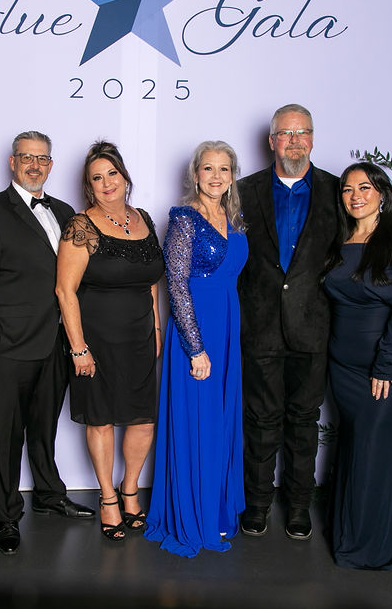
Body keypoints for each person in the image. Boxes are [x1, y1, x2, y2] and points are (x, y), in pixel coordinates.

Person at [0, 131, 94, 557]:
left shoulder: (65, 211)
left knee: (45, 427)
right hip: (10, 346)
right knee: (6, 436)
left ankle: (49, 495)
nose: (35, 165)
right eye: (27, 158)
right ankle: (6, 515)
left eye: (42, 159)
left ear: (51, 165)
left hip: (57, 342)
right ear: (13, 162)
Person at [237, 104, 339, 540]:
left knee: (303, 422)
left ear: (312, 139)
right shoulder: (243, 190)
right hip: (259, 327)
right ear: (271, 141)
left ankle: (299, 506)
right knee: (260, 422)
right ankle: (257, 505)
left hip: (313, 327)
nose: (294, 141)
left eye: (302, 133)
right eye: (286, 134)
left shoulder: (337, 191)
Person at [56, 141, 164, 542]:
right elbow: (64, 290)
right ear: (89, 186)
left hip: (140, 336)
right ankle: (107, 497)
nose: (106, 183)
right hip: (96, 340)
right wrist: (78, 347)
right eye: (97, 178)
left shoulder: (144, 219)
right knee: (100, 419)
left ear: (124, 176)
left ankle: (130, 489)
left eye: (112, 174)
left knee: (143, 420)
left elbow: (151, 281)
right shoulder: (81, 226)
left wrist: (156, 328)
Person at [145, 141, 249, 558]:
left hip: (227, 330)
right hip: (198, 334)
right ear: (195, 174)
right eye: (208, 168)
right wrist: (195, 348)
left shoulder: (234, 218)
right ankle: (194, 517)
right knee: (199, 423)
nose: (216, 176)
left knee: (220, 422)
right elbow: (176, 284)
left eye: (224, 169)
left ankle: (217, 512)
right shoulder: (184, 219)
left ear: (232, 176)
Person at [322, 161, 392, 570]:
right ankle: (371, 535)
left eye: (365, 187)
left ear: (382, 193)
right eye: (348, 189)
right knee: (358, 446)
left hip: (391, 364)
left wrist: (385, 365)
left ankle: (370, 547)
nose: (356, 196)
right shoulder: (339, 241)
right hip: (344, 366)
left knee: (372, 447)